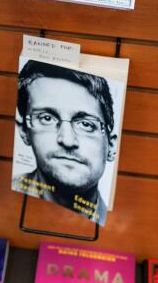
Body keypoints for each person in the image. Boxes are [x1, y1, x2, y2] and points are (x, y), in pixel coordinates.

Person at [12, 60, 118, 225]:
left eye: (86, 124)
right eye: (46, 118)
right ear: (24, 131)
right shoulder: (3, 199)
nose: (67, 141)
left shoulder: (116, 222)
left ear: (111, 146)